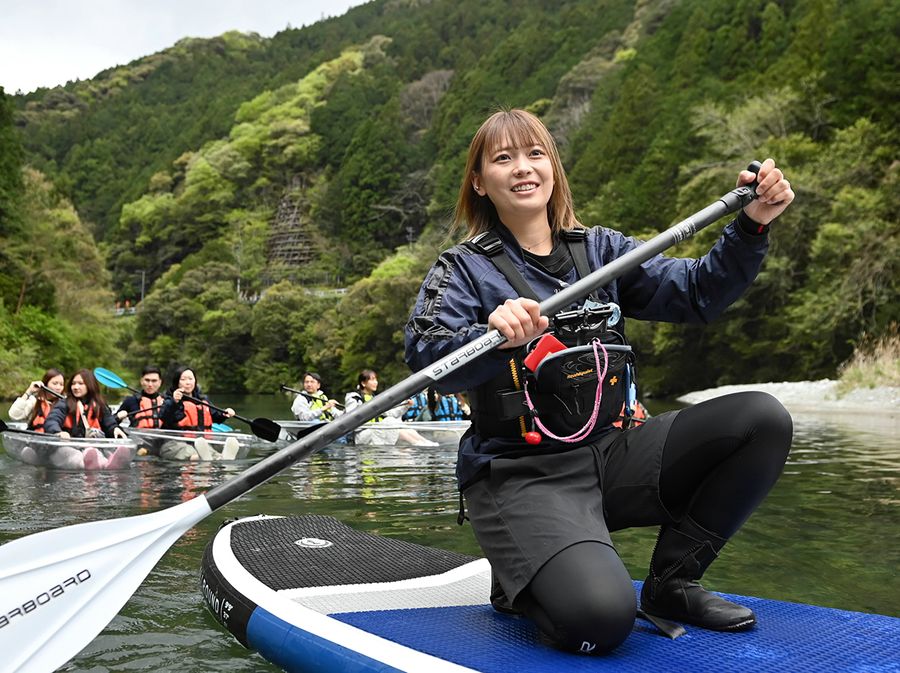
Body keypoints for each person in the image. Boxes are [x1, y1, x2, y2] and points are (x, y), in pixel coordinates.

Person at [404, 109, 794, 654]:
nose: (523, 168)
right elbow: (424, 352)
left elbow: (698, 292)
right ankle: (523, 575)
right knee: (602, 622)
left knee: (762, 420)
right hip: (522, 474)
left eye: (535, 153)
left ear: (554, 168)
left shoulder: (602, 252)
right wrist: (485, 332)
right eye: (503, 158)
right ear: (479, 182)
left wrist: (751, 225)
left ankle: (673, 585)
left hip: (613, 455)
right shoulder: (464, 269)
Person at [43, 369, 132, 470]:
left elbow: (109, 422)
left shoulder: (99, 405)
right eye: (73, 384)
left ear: (90, 385)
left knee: (100, 451)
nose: (76, 387)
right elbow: (52, 420)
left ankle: (108, 464)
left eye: (81, 384)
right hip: (67, 446)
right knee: (76, 454)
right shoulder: (64, 404)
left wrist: (114, 428)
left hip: (91, 447)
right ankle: (96, 465)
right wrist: (58, 432)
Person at [159, 366, 239, 461]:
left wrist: (224, 414)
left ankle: (222, 459)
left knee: (209, 451)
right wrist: (174, 401)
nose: (188, 382)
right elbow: (164, 416)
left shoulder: (202, 400)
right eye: (183, 379)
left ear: (195, 381)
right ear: (177, 383)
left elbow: (215, 415)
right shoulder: (170, 400)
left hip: (200, 442)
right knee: (190, 452)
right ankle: (201, 459)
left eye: (190, 379)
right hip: (175, 442)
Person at [344, 369, 438, 446]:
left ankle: (423, 441)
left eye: (376, 379)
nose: (375, 382)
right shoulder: (353, 397)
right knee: (390, 421)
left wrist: (405, 406)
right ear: (363, 383)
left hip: (377, 430)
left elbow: (390, 413)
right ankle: (416, 443)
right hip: (363, 435)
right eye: (372, 380)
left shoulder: (375, 399)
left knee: (394, 421)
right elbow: (350, 417)